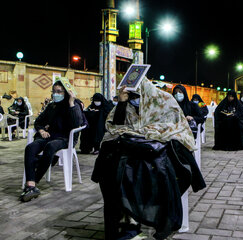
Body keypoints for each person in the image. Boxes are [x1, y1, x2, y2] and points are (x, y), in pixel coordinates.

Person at [91, 79, 206, 240]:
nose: (134, 100)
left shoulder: (164, 101)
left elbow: (178, 130)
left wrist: (152, 133)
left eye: (136, 96)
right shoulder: (128, 105)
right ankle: (128, 225)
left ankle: (148, 219)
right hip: (132, 153)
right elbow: (115, 126)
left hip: (161, 155)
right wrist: (123, 104)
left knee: (148, 174)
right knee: (117, 172)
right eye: (130, 96)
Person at [20, 80, 84, 202]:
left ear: (66, 93)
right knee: (30, 148)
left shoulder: (74, 104)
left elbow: (77, 124)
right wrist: (41, 130)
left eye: (59, 91)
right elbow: (39, 121)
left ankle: (33, 182)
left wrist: (71, 102)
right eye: (54, 91)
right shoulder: (51, 106)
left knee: (50, 146)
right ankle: (31, 185)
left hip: (65, 138)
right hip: (49, 135)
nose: (56, 94)